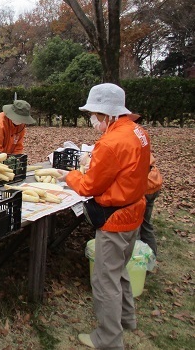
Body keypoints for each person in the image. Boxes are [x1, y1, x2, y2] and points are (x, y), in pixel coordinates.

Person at [60, 83, 151, 349]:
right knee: (119, 271)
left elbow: (89, 186)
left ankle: (108, 338)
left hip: (115, 219)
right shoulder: (138, 131)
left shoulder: (111, 142)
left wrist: (69, 176)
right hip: (134, 210)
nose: (92, 119)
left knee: (104, 280)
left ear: (107, 114)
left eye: (94, 114)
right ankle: (126, 318)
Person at [128, 114, 163, 257]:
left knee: (135, 226)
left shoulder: (130, 137)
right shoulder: (141, 134)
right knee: (146, 224)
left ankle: (138, 260)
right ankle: (151, 259)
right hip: (153, 182)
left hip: (144, 186)